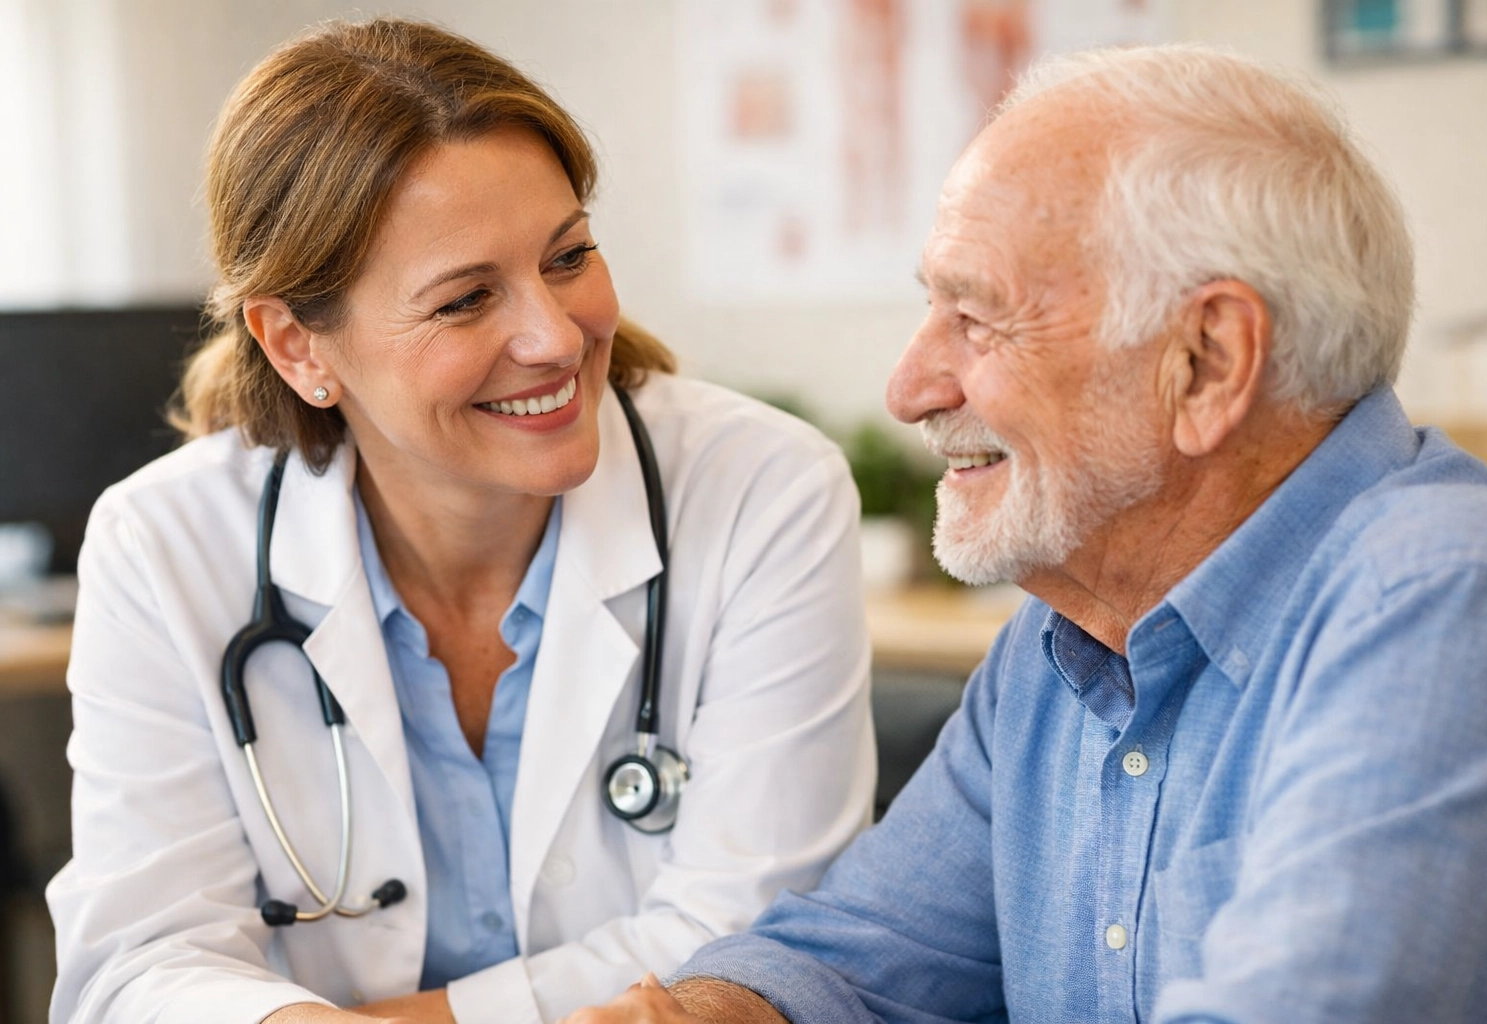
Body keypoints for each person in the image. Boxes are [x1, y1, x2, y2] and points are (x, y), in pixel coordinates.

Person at [566, 43, 1487, 1024]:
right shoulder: (1060, 640)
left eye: (977, 317)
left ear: (1206, 360)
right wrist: (698, 1013)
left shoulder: (1449, 600)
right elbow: (856, 960)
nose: (909, 389)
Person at [45, 18, 875, 1024]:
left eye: (568, 256)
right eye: (465, 300)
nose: (555, 336)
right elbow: (137, 966)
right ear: (298, 345)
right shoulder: (165, 545)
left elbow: (759, 941)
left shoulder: (761, 489)